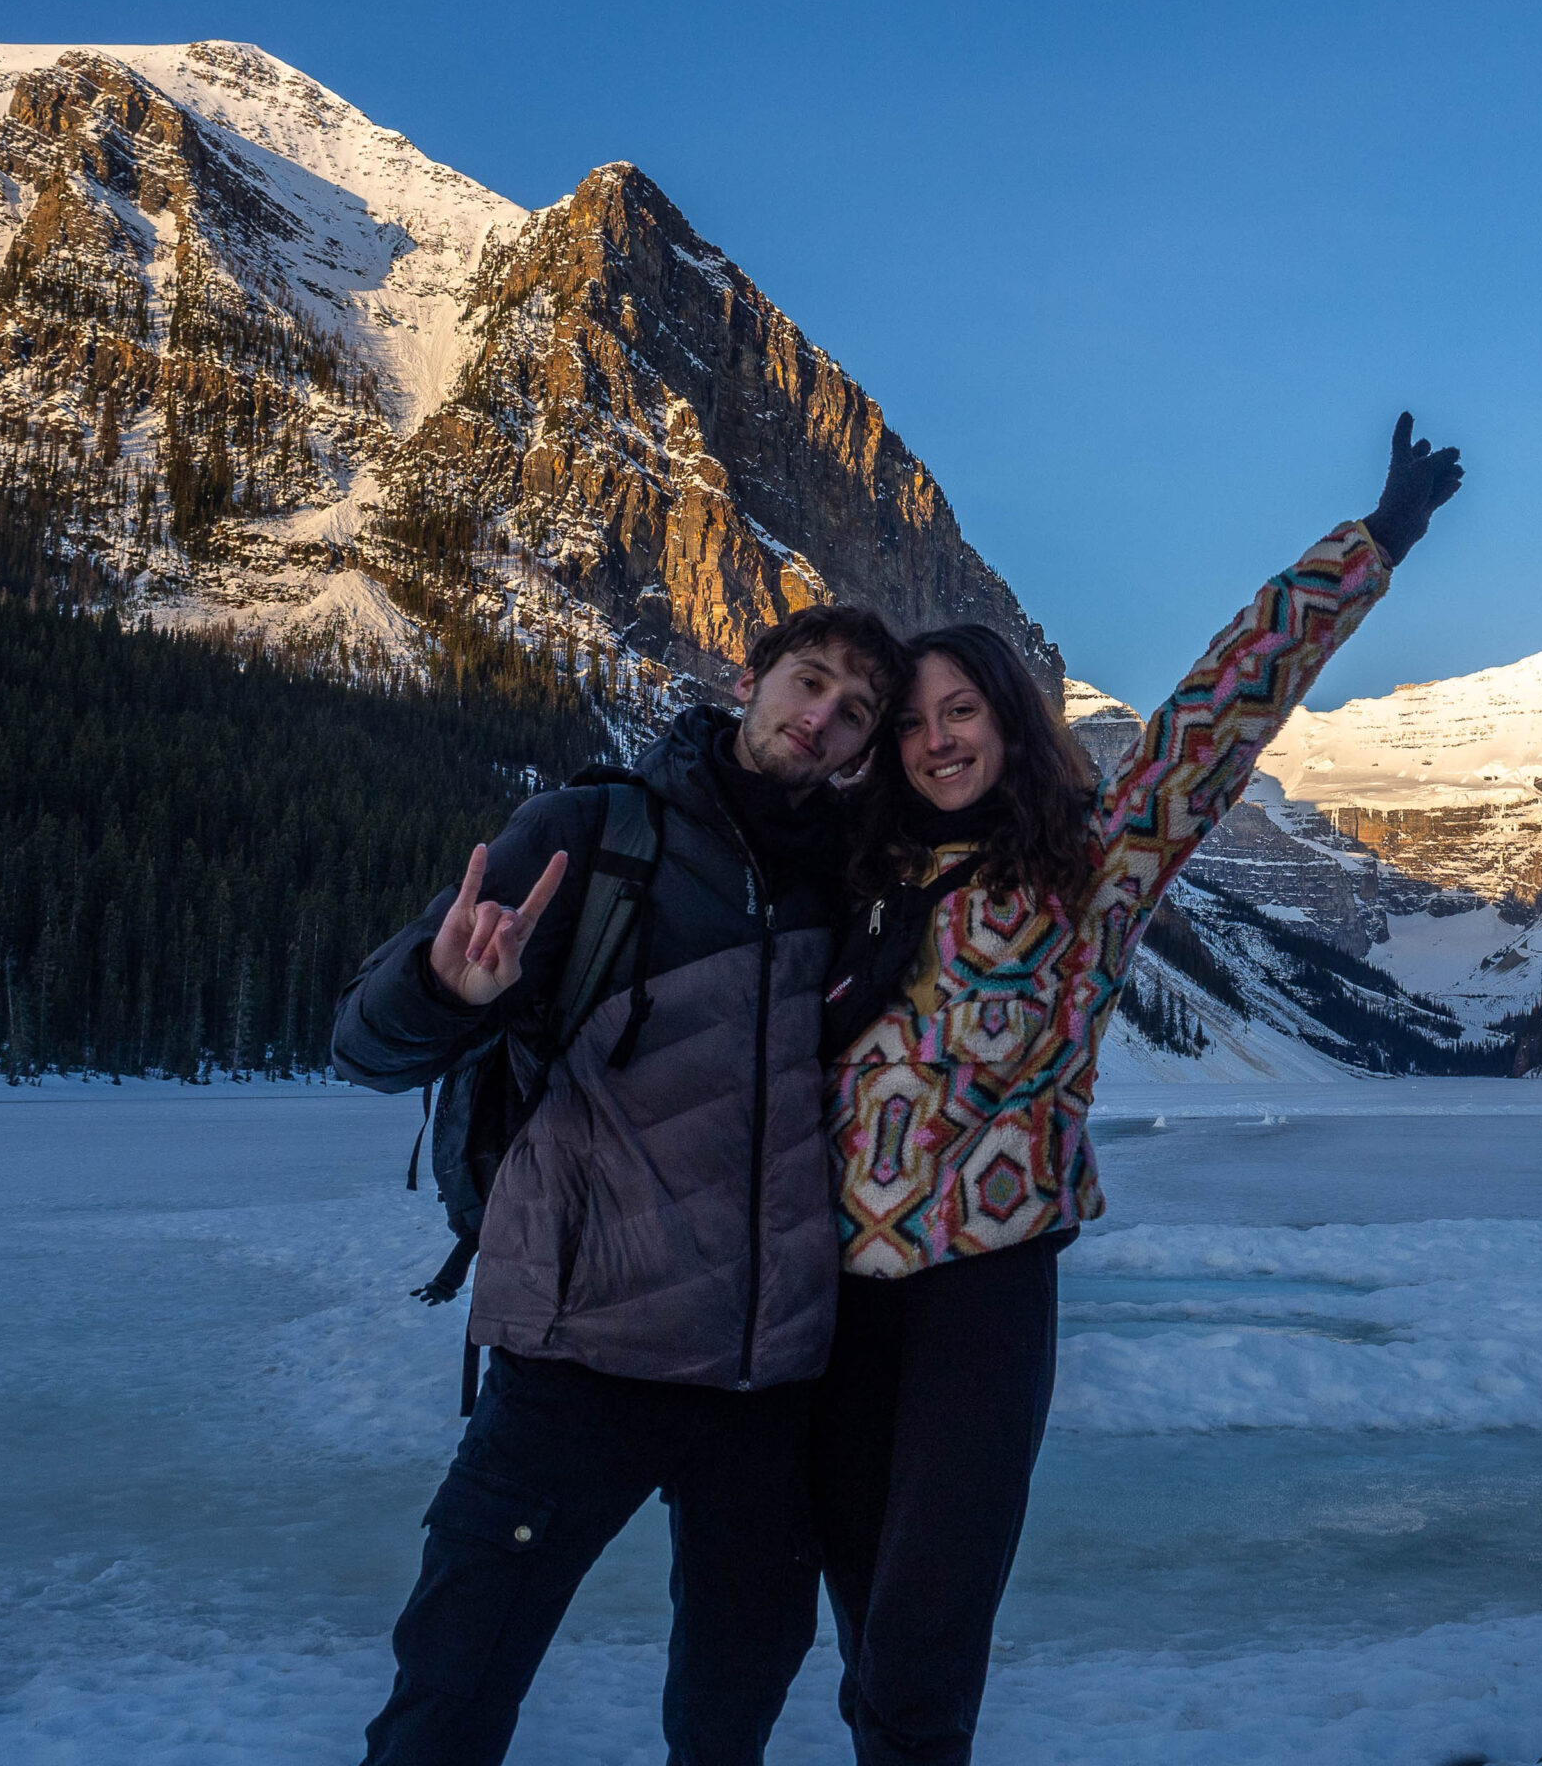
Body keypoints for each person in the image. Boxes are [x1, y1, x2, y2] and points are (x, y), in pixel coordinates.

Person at [814, 412, 1468, 1764]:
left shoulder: (1090, 872)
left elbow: (1215, 717)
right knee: (867, 1639)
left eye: (965, 713)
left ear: (1008, 724)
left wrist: (1373, 544)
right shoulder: (838, 879)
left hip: (986, 1295)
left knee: (920, 1656)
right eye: (918, 723)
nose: (938, 742)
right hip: (825, 1306)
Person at [331, 604, 911, 1766]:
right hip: (580, 1355)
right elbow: (364, 1045)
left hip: (766, 1378)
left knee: (730, 1710)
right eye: (808, 683)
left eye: (854, 712)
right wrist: (446, 993)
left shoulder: (854, 892)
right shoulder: (592, 836)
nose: (823, 718)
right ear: (750, 677)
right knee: (453, 1685)